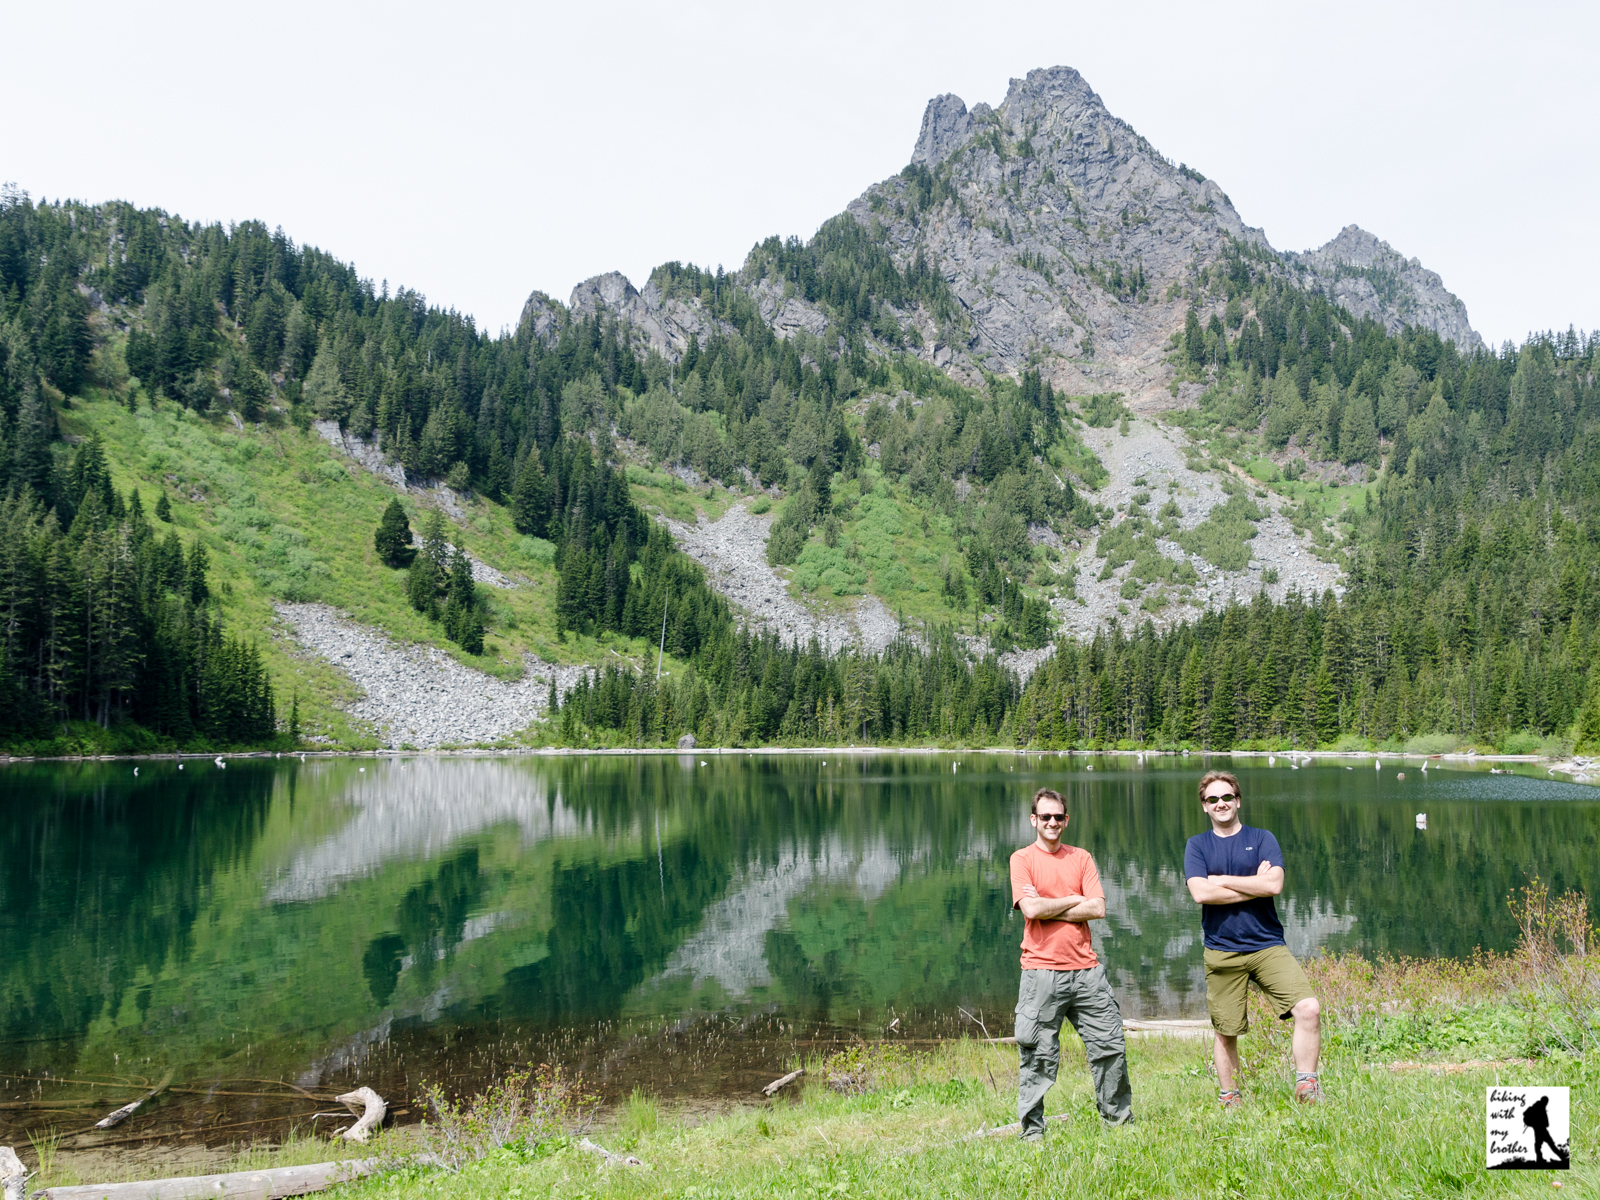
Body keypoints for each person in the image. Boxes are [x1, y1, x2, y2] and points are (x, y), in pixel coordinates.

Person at [1184, 770, 1322, 1106]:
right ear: (1204, 806)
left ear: (1238, 800)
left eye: (1227, 797)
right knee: (1226, 1030)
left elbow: (1273, 885)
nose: (1221, 804)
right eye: (1213, 799)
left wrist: (1221, 880)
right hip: (1222, 951)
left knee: (1308, 1008)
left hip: (1267, 945)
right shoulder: (1197, 845)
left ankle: (1307, 1087)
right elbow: (1201, 894)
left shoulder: (1263, 838)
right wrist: (1251, 886)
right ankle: (1230, 1097)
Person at [1009, 787, 1133, 1140]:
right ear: (1034, 820)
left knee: (1110, 1046)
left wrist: (1051, 903)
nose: (1052, 822)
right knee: (1037, 1054)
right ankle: (1032, 1133)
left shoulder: (1081, 857)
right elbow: (1030, 909)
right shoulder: (1022, 859)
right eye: (1045, 817)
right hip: (1040, 972)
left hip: (1087, 972)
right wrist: (1073, 899)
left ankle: (1120, 1124)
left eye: (1058, 817)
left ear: (1066, 819)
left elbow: (1098, 908)